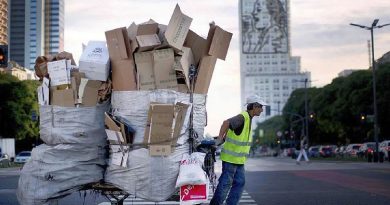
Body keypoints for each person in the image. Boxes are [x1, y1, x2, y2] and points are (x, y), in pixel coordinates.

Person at [210, 95, 266, 205]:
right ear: (254, 106)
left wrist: (223, 137)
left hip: (238, 160)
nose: (262, 109)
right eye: (260, 107)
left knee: (240, 182)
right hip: (231, 159)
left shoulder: (248, 118)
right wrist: (220, 139)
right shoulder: (243, 117)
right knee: (226, 183)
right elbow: (226, 123)